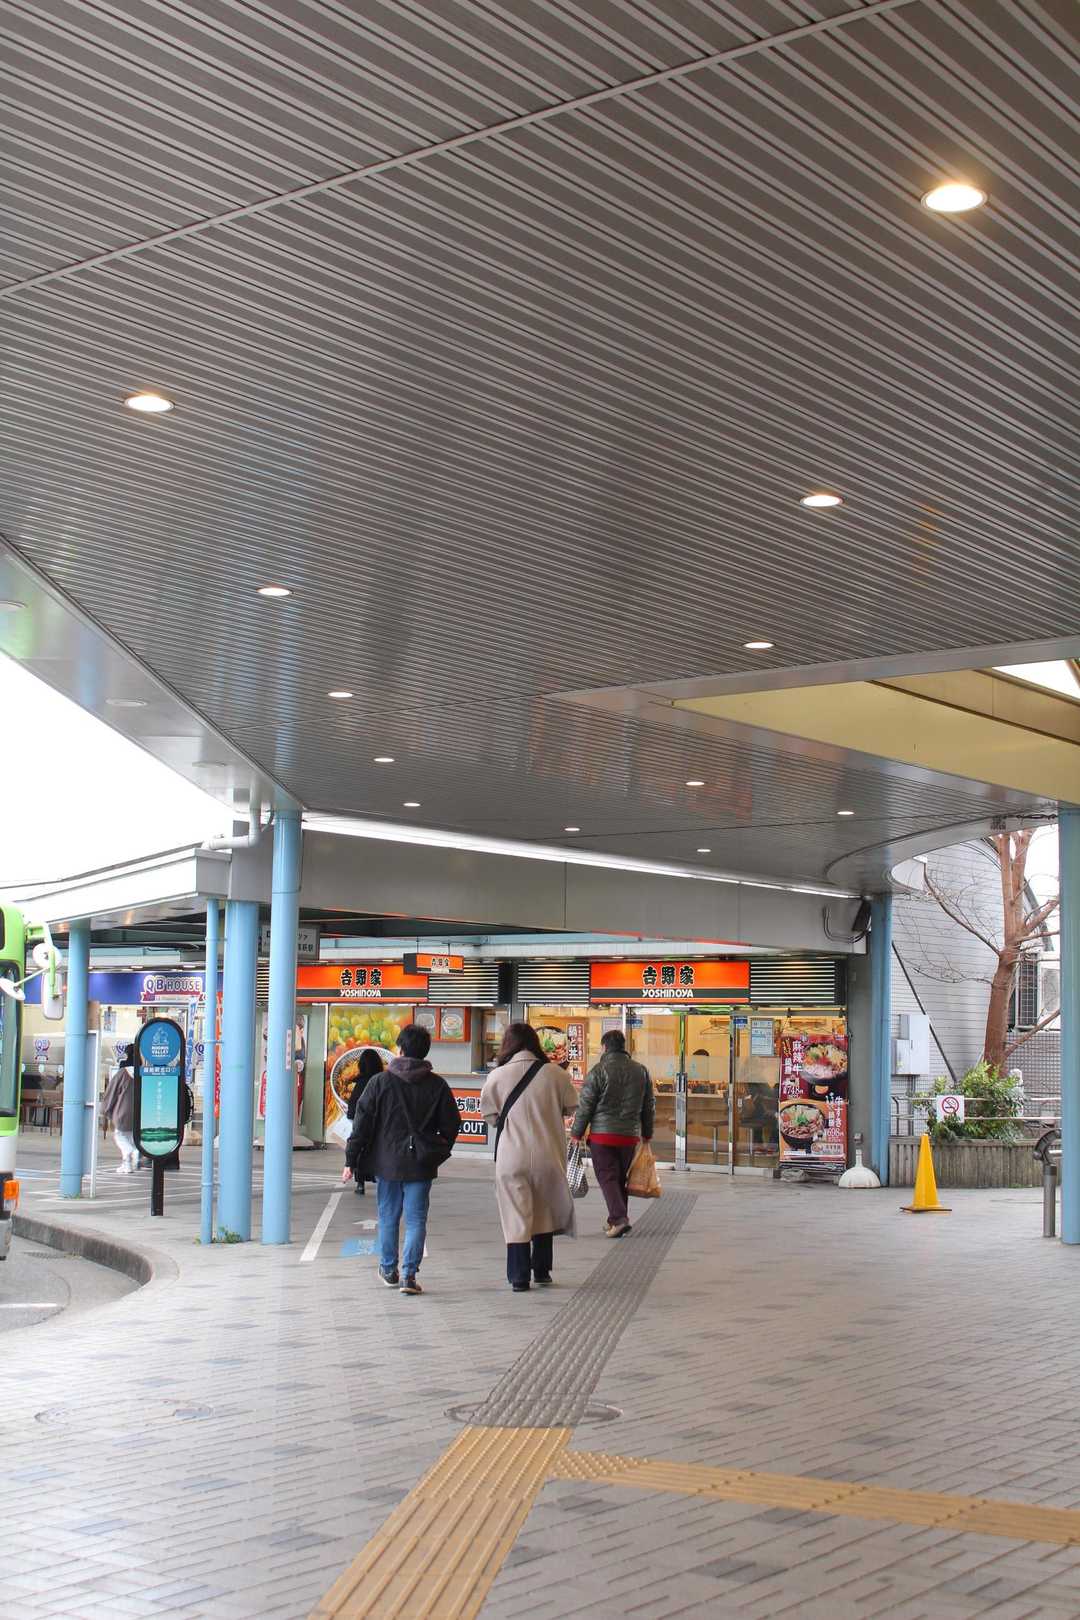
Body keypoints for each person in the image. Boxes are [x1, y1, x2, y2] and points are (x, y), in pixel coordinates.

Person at [342, 1023, 459, 1296]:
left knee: (388, 1217)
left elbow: (361, 1125)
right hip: (421, 1164)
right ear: (425, 1051)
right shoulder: (437, 1085)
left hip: (388, 1163)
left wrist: (351, 1159)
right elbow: (452, 1125)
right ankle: (409, 1276)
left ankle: (388, 1269)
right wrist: (437, 1150)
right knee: (416, 1220)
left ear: (400, 1049)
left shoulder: (379, 1083)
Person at [480, 1022, 579, 1293]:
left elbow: (490, 1115)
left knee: (516, 1214)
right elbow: (572, 1106)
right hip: (548, 1154)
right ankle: (542, 1271)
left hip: (511, 1156)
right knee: (544, 1210)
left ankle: (519, 1277)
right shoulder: (556, 1074)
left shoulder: (497, 1075)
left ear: (508, 1044)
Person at [571, 1029, 654, 1238]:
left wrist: (576, 1132)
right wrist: (647, 1132)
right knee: (619, 1179)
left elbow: (586, 1106)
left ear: (604, 1047)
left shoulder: (598, 1071)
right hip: (629, 1135)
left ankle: (619, 1219)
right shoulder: (641, 1071)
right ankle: (616, 1220)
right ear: (623, 1047)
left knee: (607, 1177)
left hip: (602, 1135)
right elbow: (648, 1105)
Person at [345, 1049, 384, 1196]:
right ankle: (379, 1179)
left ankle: (360, 1184)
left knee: (360, 1151)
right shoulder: (382, 1081)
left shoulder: (360, 1082)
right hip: (379, 1124)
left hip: (361, 1123)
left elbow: (352, 1106)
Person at [101, 1045, 138, 1174]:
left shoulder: (122, 1073)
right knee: (132, 1138)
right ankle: (128, 1164)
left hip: (123, 1112)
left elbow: (111, 1093)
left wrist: (105, 1109)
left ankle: (131, 1155)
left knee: (120, 1136)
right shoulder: (143, 1072)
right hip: (139, 1113)